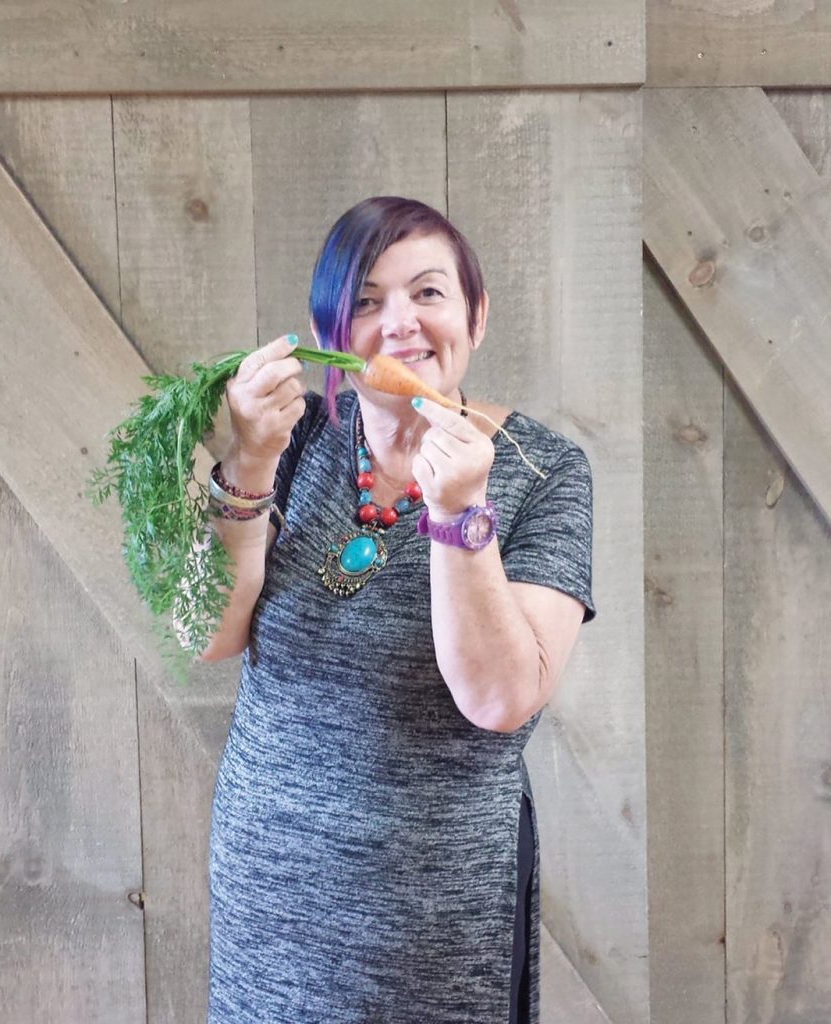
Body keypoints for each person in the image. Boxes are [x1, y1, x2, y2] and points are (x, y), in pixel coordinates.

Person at [193, 196, 596, 1024]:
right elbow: (203, 633)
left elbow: (498, 699)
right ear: (332, 329)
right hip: (267, 903)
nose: (399, 323)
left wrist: (458, 512)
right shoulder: (297, 440)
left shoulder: (541, 471)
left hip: (433, 924)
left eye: (428, 293)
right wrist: (248, 462)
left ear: (476, 317)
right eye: (367, 301)